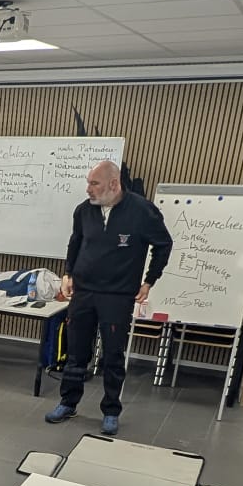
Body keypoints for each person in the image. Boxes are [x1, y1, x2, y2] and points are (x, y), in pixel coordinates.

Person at [44, 159, 172, 437]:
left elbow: (164, 244)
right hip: (84, 292)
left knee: (113, 355)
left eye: (94, 183)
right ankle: (68, 403)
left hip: (117, 295)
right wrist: (69, 274)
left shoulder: (142, 211)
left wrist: (150, 280)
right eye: (88, 183)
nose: (88, 189)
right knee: (76, 352)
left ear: (113, 184)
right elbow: (75, 242)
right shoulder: (83, 211)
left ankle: (111, 410)